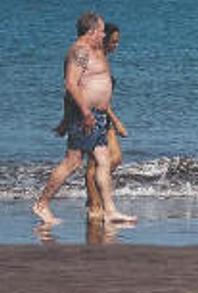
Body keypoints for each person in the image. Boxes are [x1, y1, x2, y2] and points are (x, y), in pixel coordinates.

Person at [33, 11, 135, 225]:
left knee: (103, 161)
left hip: (97, 116)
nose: (103, 35)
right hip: (85, 116)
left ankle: (109, 210)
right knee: (73, 162)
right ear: (91, 31)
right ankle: (41, 204)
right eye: (100, 31)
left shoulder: (93, 50)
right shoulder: (79, 51)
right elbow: (71, 84)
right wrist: (84, 113)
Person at [55, 22, 128, 221]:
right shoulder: (89, 56)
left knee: (112, 159)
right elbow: (72, 89)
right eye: (113, 41)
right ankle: (94, 205)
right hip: (91, 116)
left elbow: (103, 96)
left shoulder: (101, 59)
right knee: (92, 164)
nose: (116, 46)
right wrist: (66, 119)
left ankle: (100, 204)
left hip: (102, 116)